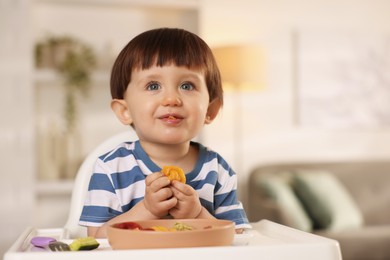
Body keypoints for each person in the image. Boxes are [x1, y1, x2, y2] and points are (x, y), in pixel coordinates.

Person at [79, 28, 251, 238]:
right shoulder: (110, 168)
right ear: (125, 111)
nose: (171, 99)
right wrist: (147, 210)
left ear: (210, 110)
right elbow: (96, 237)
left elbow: (237, 238)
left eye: (187, 85)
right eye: (153, 86)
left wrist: (197, 215)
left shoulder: (218, 171)